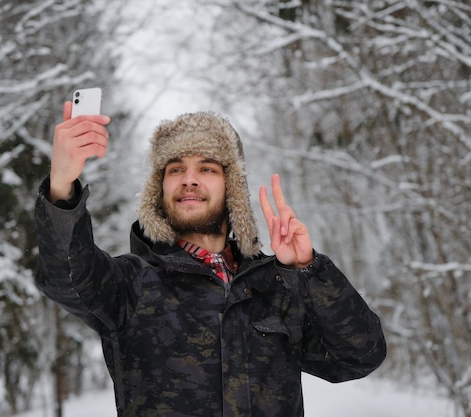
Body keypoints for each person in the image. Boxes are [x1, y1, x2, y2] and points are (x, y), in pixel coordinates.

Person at [34, 102, 387, 417]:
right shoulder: (130, 284)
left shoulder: (275, 287)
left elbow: (360, 355)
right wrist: (62, 187)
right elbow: (65, 275)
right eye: (175, 169)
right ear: (159, 191)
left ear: (231, 186)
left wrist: (309, 270)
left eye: (207, 168)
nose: (189, 180)